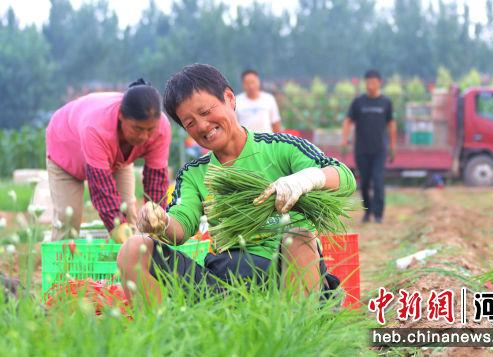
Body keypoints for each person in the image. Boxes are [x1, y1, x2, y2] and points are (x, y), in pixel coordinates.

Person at [117, 64, 356, 303]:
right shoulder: (194, 173)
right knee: (133, 249)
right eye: (189, 123)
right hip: (224, 283)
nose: (201, 126)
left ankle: (296, 329)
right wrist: (160, 222)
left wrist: (305, 180)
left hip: (288, 278)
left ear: (229, 98)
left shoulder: (282, 148)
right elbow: (180, 227)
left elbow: (344, 177)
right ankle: (162, 335)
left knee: (299, 236)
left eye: (205, 111)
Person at [46, 79, 171, 242]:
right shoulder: (96, 126)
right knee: (68, 220)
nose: (144, 136)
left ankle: (130, 265)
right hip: (65, 148)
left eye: (150, 130)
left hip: (115, 160)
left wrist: (156, 223)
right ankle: (63, 266)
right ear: (121, 116)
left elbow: (156, 180)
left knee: (128, 214)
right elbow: (101, 188)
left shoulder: (161, 128)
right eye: (137, 129)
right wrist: (117, 228)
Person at [341, 69, 396, 224]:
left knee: (378, 181)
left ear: (379, 82)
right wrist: (344, 140)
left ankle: (378, 214)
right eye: (368, 82)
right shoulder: (358, 102)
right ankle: (367, 212)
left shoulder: (386, 103)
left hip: (379, 150)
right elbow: (348, 121)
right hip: (362, 150)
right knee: (364, 182)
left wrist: (392, 146)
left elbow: (391, 124)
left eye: (373, 82)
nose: (370, 85)